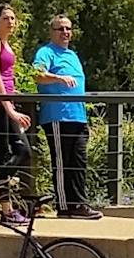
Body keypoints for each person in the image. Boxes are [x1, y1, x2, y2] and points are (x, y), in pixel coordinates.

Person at [31, 16, 100, 219]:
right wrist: (59, 78)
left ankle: (79, 204)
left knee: (78, 162)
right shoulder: (46, 52)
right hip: (57, 115)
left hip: (77, 116)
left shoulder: (73, 55)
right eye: (60, 28)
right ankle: (65, 206)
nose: (65, 32)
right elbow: (36, 74)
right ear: (51, 31)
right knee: (62, 163)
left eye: (68, 28)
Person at [0, 4, 32, 211]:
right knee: (8, 151)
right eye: (6, 18)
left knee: (20, 151)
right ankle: (5, 207)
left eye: (13, 18)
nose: (11, 22)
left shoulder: (7, 43)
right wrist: (10, 108)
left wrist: (14, 95)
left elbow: (8, 75)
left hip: (7, 101)